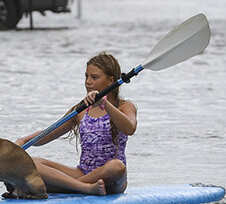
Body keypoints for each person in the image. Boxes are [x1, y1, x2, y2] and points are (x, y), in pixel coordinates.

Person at [16, 52, 137, 196]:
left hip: (112, 178)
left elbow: (130, 128)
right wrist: (23, 141)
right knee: (31, 162)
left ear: (110, 80)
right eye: (86, 76)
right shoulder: (81, 109)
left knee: (117, 166)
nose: (88, 81)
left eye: (94, 77)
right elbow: (49, 133)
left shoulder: (124, 106)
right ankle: (83, 187)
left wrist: (105, 104)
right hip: (82, 173)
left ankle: (66, 187)